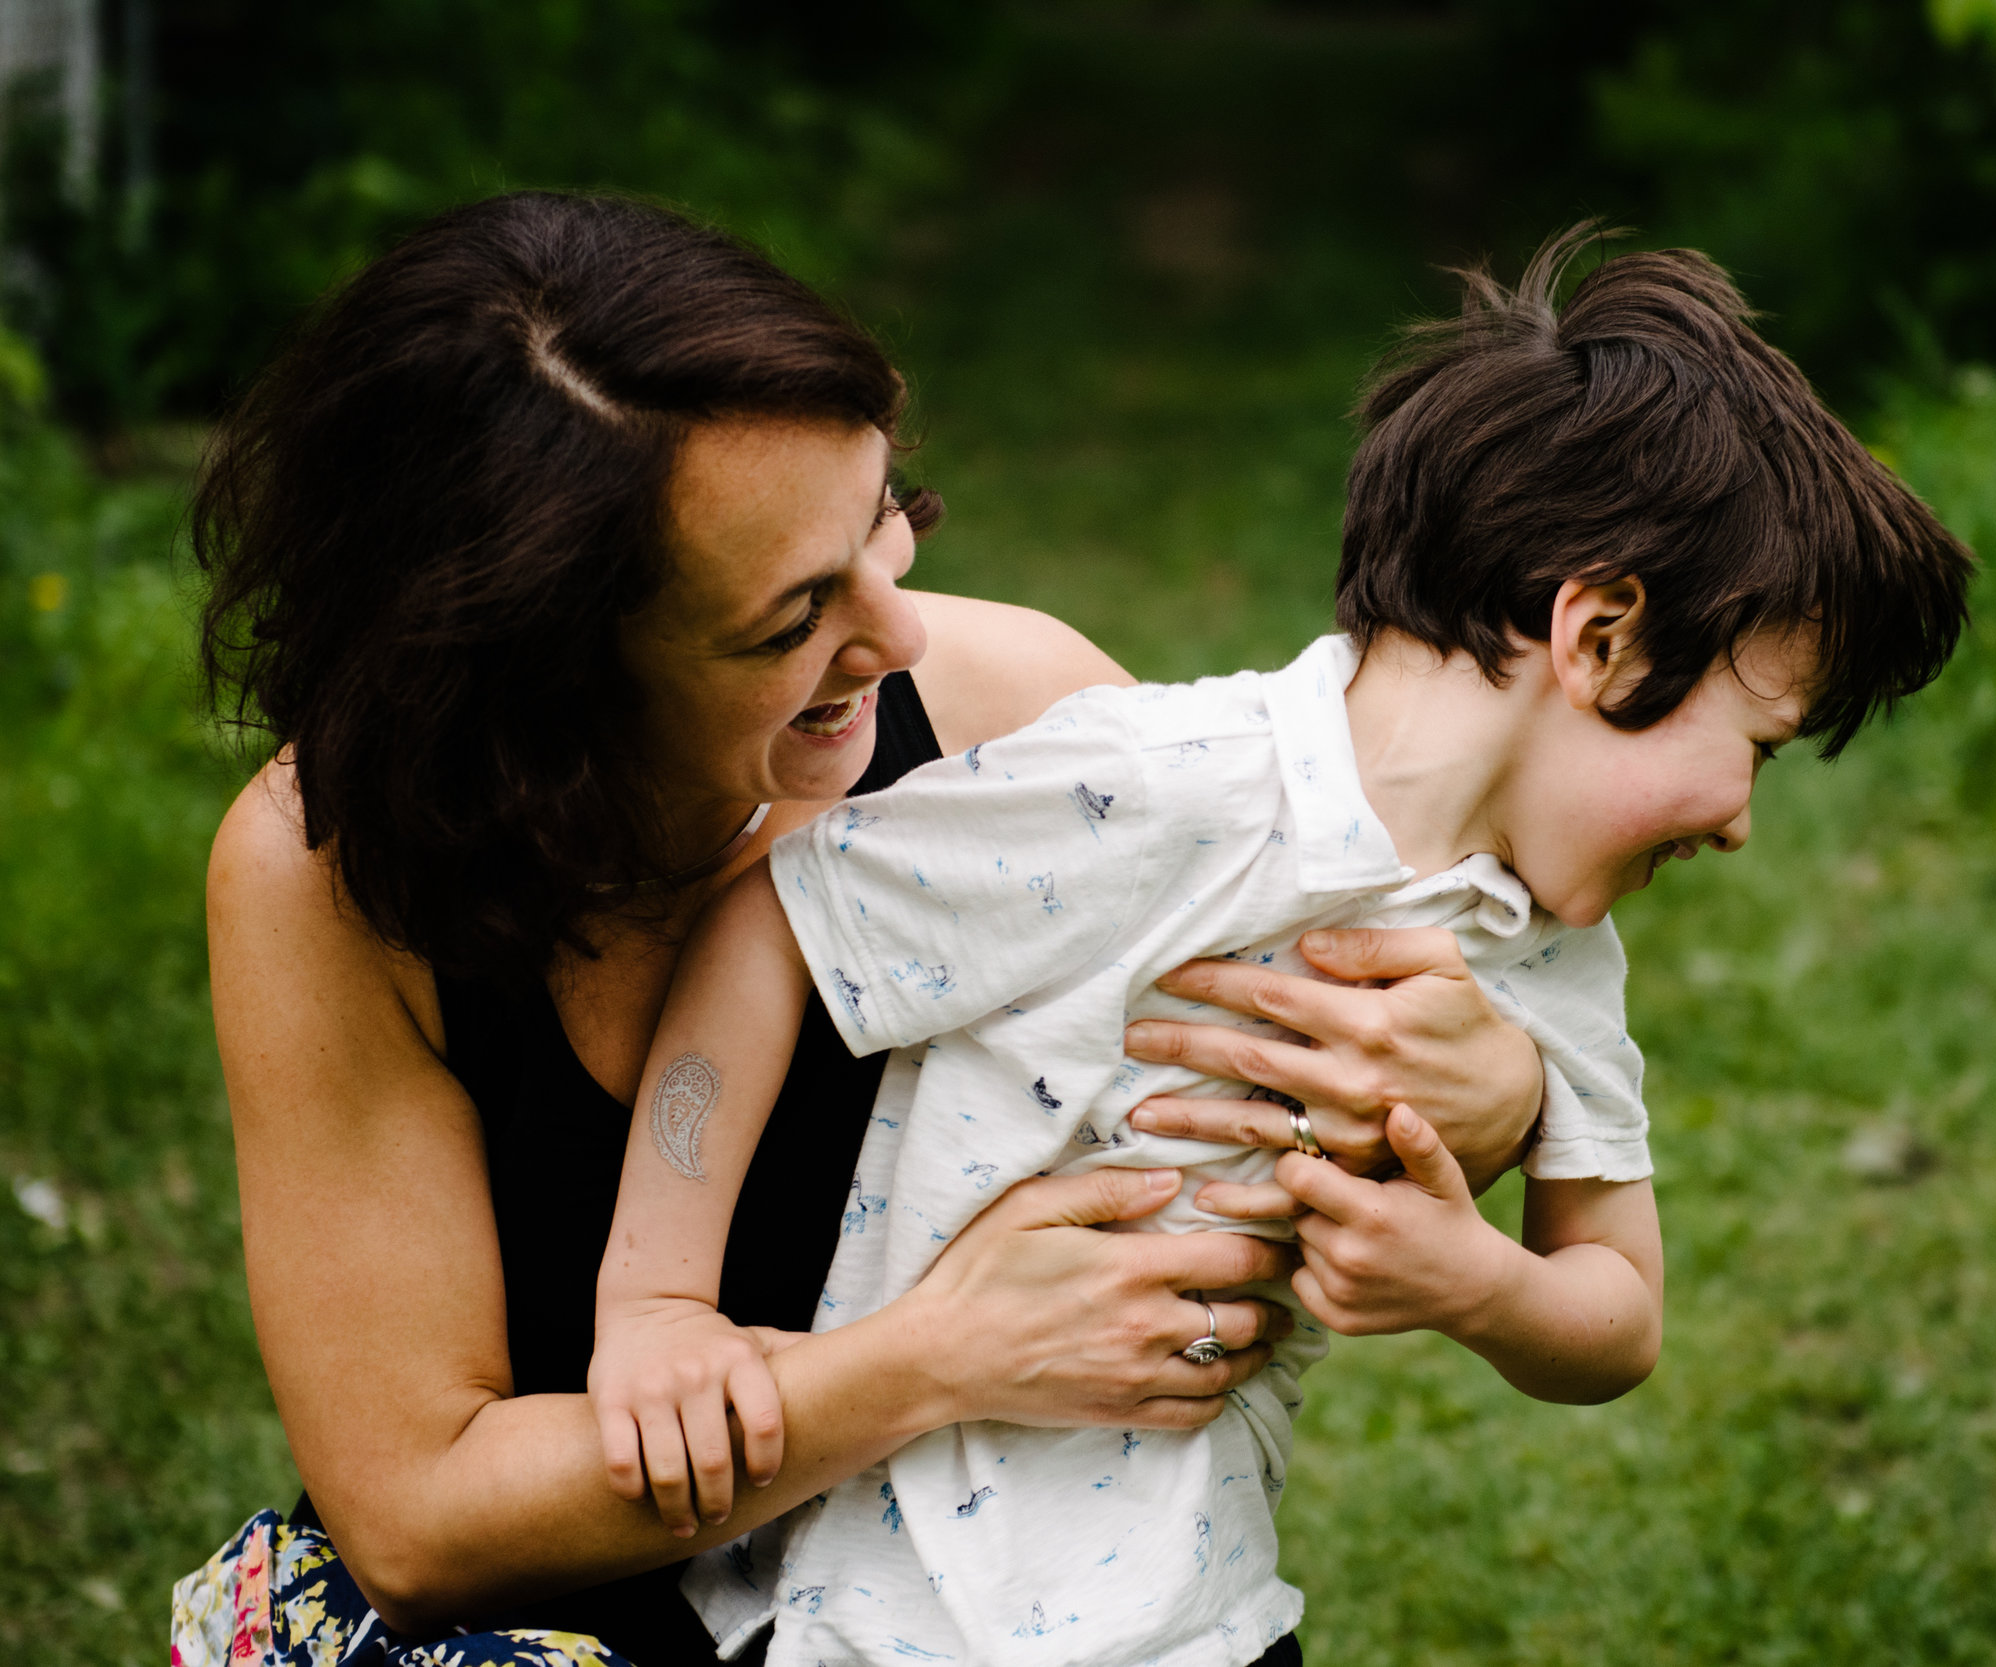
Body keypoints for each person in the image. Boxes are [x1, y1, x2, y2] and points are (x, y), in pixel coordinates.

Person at [171, 191, 1559, 1667]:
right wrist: (936, 1359)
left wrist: (1492, 1094)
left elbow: (1279, 1066)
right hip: (563, 1622)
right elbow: (424, 1521)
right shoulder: (329, 872)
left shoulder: (1015, 722)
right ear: (544, 688)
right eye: (789, 622)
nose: (897, 636)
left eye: (882, 521)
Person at [587, 229, 1974, 1667]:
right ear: (1601, 635)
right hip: (885, 1613)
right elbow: (779, 924)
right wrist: (658, 1304)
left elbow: (1617, 1311)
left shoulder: (1550, 955)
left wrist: (1476, 1284)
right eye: (1749, 744)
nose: (1742, 822)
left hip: (1202, 1622)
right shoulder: (1160, 788)